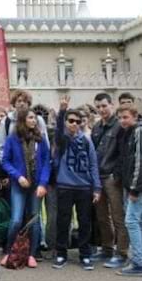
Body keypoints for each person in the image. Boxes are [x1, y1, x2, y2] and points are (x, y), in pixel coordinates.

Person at [1, 108, 51, 268]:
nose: (34, 121)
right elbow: (5, 161)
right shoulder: (12, 138)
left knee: (34, 220)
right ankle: (8, 251)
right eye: (30, 118)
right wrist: (18, 176)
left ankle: (32, 254)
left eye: (35, 118)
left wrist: (43, 184)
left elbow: (46, 163)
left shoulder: (40, 139)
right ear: (23, 120)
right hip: (19, 184)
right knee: (16, 220)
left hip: (36, 185)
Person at [52, 109, 101, 270]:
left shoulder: (86, 141)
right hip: (65, 186)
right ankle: (61, 253)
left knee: (85, 222)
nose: (74, 124)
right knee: (63, 221)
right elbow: (58, 131)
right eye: (70, 120)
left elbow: (93, 164)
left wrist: (97, 188)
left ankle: (85, 254)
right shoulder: (62, 139)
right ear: (66, 122)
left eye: (77, 121)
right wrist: (62, 111)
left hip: (84, 187)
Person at [116, 104, 142, 277]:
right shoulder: (131, 133)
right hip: (136, 184)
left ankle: (138, 263)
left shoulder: (139, 132)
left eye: (125, 117)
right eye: (120, 118)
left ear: (134, 116)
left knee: (131, 221)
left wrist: (134, 188)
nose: (122, 121)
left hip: (137, 185)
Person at [91, 92, 129, 269]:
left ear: (111, 105)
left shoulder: (119, 126)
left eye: (104, 106)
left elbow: (123, 153)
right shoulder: (97, 127)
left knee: (117, 215)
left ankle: (121, 253)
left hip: (112, 177)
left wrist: (117, 174)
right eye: (98, 107)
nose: (101, 110)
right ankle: (106, 248)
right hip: (98, 177)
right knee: (101, 216)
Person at [0, 89, 48, 161]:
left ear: (28, 103)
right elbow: (0, 147)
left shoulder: (38, 120)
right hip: (14, 166)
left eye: (25, 101)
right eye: (19, 101)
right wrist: (6, 165)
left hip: (36, 163)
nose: (22, 103)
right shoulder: (7, 121)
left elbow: (45, 143)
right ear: (14, 103)